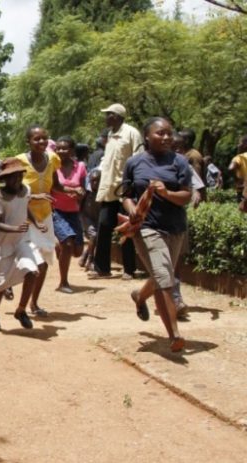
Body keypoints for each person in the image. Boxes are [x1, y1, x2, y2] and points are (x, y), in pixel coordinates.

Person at [122, 117, 192, 353]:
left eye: (169, 133)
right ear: (147, 136)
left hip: (175, 228)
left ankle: (140, 296)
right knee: (164, 277)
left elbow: (186, 196)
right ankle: (174, 334)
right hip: (146, 228)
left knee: (162, 274)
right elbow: (126, 195)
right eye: (160, 133)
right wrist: (132, 209)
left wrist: (167, 193)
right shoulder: (134, 163)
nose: (166, 137)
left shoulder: (180, 162)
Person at [16, 125, 74, 317]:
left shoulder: (53, 159)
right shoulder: (19, 161)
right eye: (36, 139)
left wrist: (72, 190)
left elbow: (56, 185)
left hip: (45, 217)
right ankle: (14, 293)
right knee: (35, 261)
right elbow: (14, 192)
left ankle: (34, 303)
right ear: (28, 142)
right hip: (24, 217)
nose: (41, 142)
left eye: (44, 138)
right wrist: (35, 196)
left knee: (44, 261)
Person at [0, 158, 48, 332]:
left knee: (32, 272)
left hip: (22, 240)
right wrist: (14, 228)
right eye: (13, 177)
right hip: (3, 244)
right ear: (5, 179)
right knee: (0, 285)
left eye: (19, 176)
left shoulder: (26, 190)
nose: (17, 180)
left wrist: (36, 223)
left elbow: (25, 208)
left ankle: (21, 310)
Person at [92, 103, 143, 279]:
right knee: (104, 225)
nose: (106, 118)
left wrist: (134, 184)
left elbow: (138, 158)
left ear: (116, 116)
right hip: (109, 188)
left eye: (108, 114)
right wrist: (97, 172)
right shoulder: (110, 135)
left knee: (126, 227)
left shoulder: (131, 133)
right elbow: (108, 159)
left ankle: (129, 269)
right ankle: (101, 268)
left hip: (125, 189)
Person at [51, 137, 87, 293]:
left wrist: (80, 194)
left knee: (77, 251)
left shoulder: (80, 167)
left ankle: (59, 245)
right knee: (67, 243)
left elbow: (83, 189)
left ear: (72, 150)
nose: (61, 151)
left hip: (73, 211)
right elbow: (54, 186)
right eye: (58, 148)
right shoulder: (53, 166)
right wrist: (71, 190)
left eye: (64, 148)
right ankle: (63, 282)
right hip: (56, 210)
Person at [78, 170, 102, 271]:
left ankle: (85, 255)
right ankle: (90, 260)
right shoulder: (86, 193)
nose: (95, 183)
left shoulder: (103, 193)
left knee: (96, 238)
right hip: (86, 218)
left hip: (97, 218)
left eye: (97, 180)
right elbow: (79, 205)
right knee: (94, 235)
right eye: (93, 181)